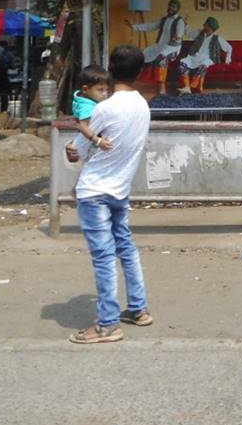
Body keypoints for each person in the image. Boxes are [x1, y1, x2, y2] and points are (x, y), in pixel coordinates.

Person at [64, 44, 153, 344]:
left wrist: (72, 149)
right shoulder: (143, 107)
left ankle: (107, 324)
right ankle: (138, 309)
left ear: (111, 69)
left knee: (103, 256)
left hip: (95, 190)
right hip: (120, 190)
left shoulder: (105, 108)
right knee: (126, 247)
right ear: (140, 72)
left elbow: (77, 149)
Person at [127, 0, 187, 95]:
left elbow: (179, 34)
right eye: (170, 6)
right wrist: (134, 26)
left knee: (161, 57)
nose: (171, 8)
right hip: (160, 45)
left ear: (177, 9)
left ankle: (161, 88)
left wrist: (177, 37)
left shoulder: (180, 21)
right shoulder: (164, 19)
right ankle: (142, 82)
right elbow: (151, 26)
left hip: (173, 48)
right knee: (142, 54)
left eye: (174, 7)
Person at [177, 17, 232, 95]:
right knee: (183, 63)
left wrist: (228, 58)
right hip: (194, 56)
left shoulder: (217, 38)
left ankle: (193, 87)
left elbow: (229, 47)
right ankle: (186, 86)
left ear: (210, 27)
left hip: (208, 58)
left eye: (206, 24)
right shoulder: (199, 32)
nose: (203, 25)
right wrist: (185, 25)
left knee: (203, 65)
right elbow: (189, 33)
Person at [72, 65, 113, 151]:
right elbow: (83, 126)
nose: (104, 94)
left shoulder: (82, 99)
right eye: (100, 89)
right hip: (90, 145)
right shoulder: (86, 106)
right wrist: (98, 141)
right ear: (85, 89)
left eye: (106, 90)